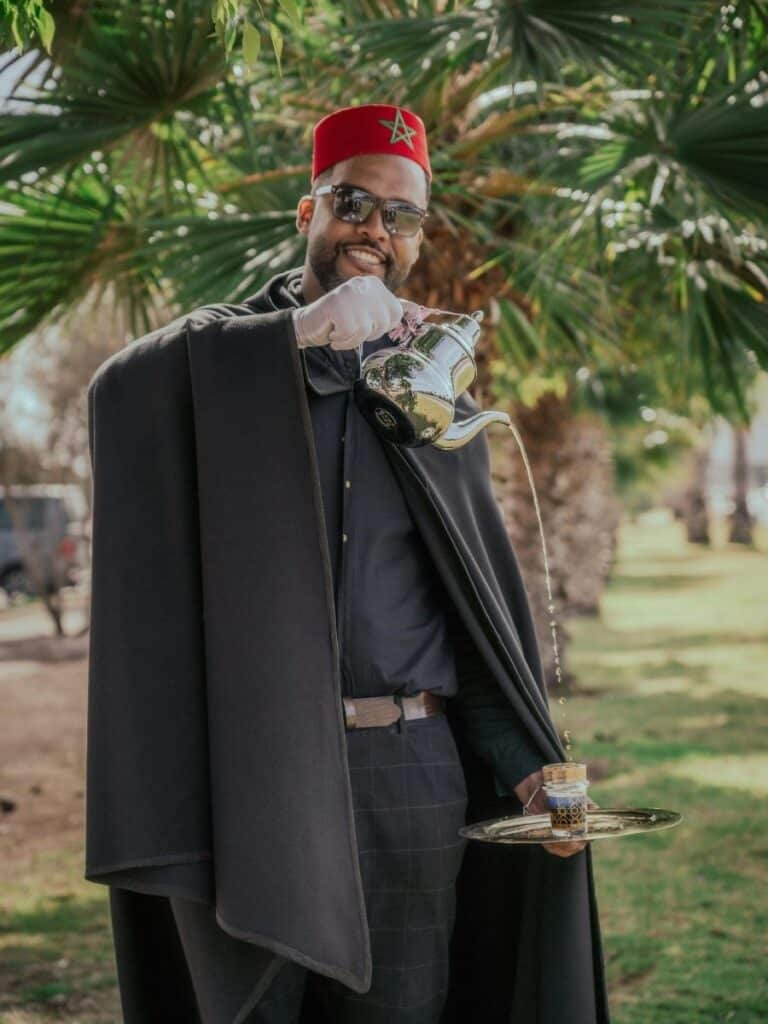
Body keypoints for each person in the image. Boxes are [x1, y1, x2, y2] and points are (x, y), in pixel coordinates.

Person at [85, 103, 610, 1023]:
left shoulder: (432, 380)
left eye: (400, 217)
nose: (376, 231)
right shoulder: (224, 350)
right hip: (248, 774)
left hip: (407, 773)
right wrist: (297, 337)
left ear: (419, 238)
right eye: (353, 204)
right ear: (307, 212)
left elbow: (465, 609)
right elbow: (117, 391)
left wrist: (529, 768)